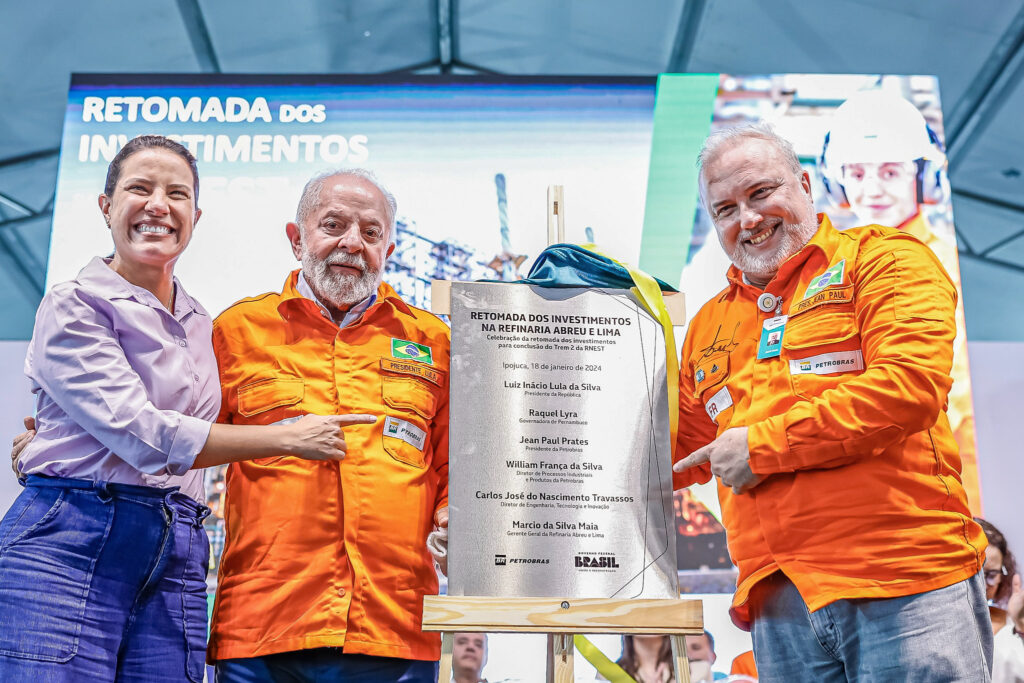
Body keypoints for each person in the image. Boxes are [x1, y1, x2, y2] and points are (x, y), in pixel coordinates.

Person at [0, 136, 370, 682]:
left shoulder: (203, 323)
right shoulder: (74, 303)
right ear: (106, 206)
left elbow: (211, 424)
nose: (158, 205)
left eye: (176, 194)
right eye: (139, 188)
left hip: (179, 547)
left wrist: (52, 436)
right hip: (74, 537)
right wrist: (288, 437)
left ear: (195, 216)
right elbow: (146, 436)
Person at [672, 122, 991, 681]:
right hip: (778, 601)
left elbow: (906, 388)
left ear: (804, 184)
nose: (747, 219)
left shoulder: (885, 261)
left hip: (903, 578)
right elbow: (670, 452)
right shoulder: (709, 324)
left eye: (760, 193)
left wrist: (763, 447)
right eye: (725, 209)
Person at [207, 168, 450, 682]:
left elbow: (455, 467)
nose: (352, 243)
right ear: (297, 239)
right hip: (263, 627)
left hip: (395, 626)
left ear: (389, 245)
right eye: (333, 224)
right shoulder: (233, 332)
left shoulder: (433, 340)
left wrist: (456, 520)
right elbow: (178, 446)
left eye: (371, 232)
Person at [820, 89, 979, 510]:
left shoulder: (945, 263)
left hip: (941, 476)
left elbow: (953, 391)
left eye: (890, 173)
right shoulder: (829, 272)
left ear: (923, 178)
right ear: (837, 182)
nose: (870, 189)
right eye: (855, 173)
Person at [977, 518, 1024, 682]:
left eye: (990, 575)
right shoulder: (936, 627)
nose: (981, 584)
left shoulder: (1013, 627)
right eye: (974, 574)